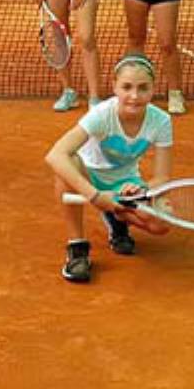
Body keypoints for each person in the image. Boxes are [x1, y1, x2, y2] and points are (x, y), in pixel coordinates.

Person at [44, 55, 173, 283]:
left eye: (143, 88)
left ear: (154, 88)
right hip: (88, 176)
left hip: (124, 183)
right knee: (67, 164)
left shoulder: (161, 121)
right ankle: (77, 248)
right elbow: (56, 154)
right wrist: (94, 195)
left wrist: (140, 190)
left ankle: (117, 219)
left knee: (160, 223)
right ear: (114, 87)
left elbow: (162, 177)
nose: (134, 96)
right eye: (126, 87)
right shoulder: (102, 114)